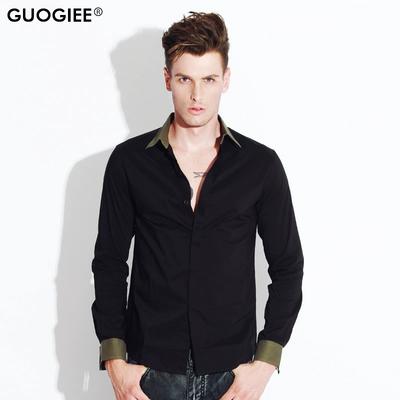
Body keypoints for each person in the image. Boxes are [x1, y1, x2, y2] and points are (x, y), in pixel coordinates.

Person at [92, 11, 303, 400]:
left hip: (232, 373)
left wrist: (265, 363)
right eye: (185, 79)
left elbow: (288, 266)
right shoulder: (129, 162)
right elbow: (109, 264)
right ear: (167, 79)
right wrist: (116, 361)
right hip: (149, 370)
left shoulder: (260, 165)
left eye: (208, 79)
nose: (197, 95)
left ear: (226, 79)